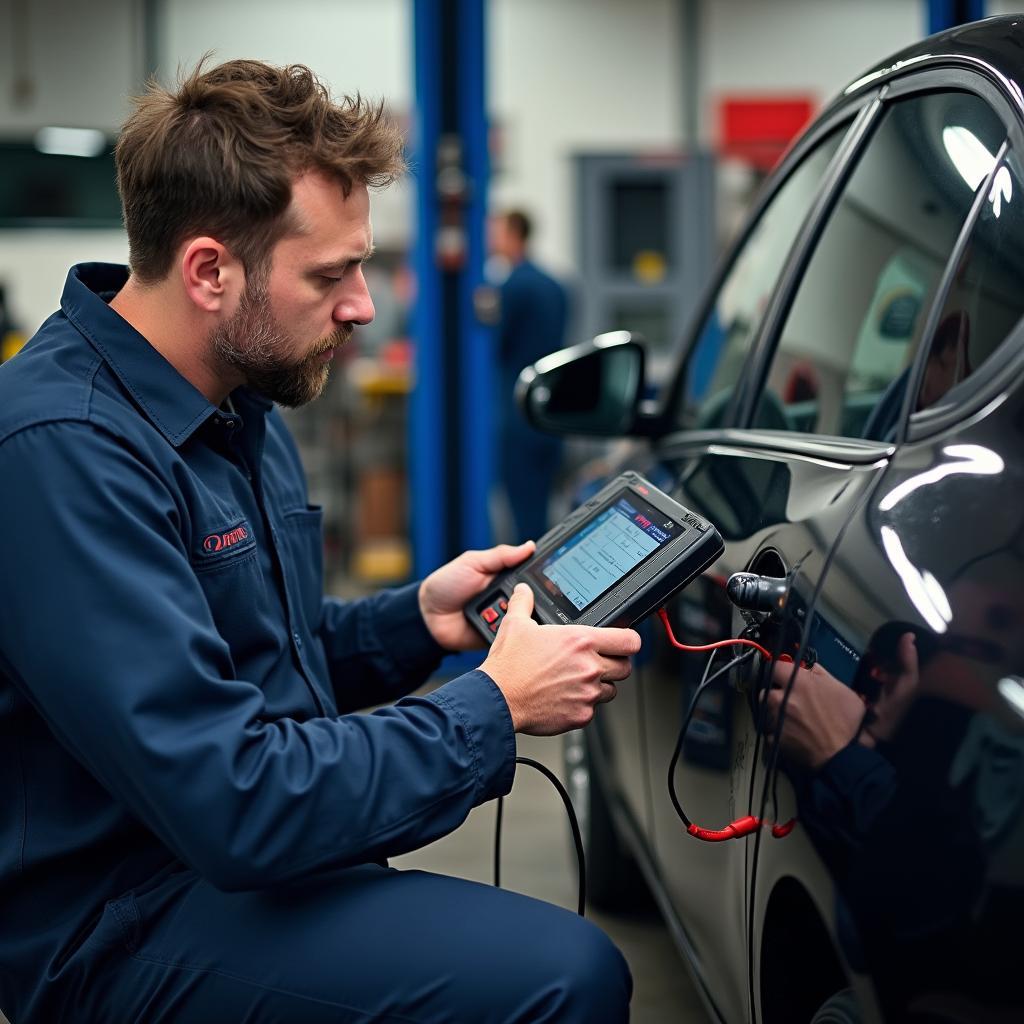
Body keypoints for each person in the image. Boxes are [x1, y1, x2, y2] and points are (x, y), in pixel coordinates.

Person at [0, 60, 641, 1023]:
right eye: (332, 274)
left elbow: (248, 664)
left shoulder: (236, 406)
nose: (363, 306)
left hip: (227, 872)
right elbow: (235, 798)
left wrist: (416, 625)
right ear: (210, 271)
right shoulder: (63, 451)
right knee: (565, 977)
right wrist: (495, 707)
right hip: (119, 922)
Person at [489, 209, 569, 543]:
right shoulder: (556, 285)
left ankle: (529, 584)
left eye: (496, 230)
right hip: (552, 412)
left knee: (524, 516)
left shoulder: (513, 287)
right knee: (545, 505)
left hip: (518, 413)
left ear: (512, 235)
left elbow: (495, 344)